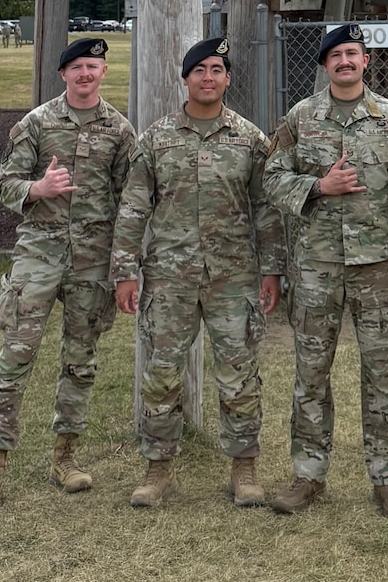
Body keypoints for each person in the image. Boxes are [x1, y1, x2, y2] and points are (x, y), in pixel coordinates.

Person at [263, 23, 388, 520]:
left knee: (383, 373)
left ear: (366, 61)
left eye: (352, 53)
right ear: (324, 65)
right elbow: (271, 178)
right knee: (311, 374)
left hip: (377, 268)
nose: (344, 61)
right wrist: (319, 187)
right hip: (315, 266)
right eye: (335, 55)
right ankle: (308, 475)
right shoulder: (300, 117)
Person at [112, 35, 285, 511]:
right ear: (185, 79)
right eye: (199, 70)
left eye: (216, 70)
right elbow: (133, 208)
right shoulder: (156, 138)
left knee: (240, 374)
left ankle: (244, 467)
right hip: (169, 277)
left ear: (228, 79)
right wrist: (126, 271)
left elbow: (266, 209)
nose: (208, 78)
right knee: (162, 373)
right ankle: (157, 468)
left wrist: (272, 270)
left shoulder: (250, 139)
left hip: (233, 278)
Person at [0, 36, 133, 514]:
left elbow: (131, 201)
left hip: (93, 260)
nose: (85, 73)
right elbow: (4, 184)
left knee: (80, 361)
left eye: (93, 66)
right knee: (16, 358)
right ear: (63, 74)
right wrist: (38, 187)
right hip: (39, 252)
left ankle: (66, 459)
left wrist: (124, 268)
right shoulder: (36, 123)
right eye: (77, 66)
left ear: (104, 73)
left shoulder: (121, 131)